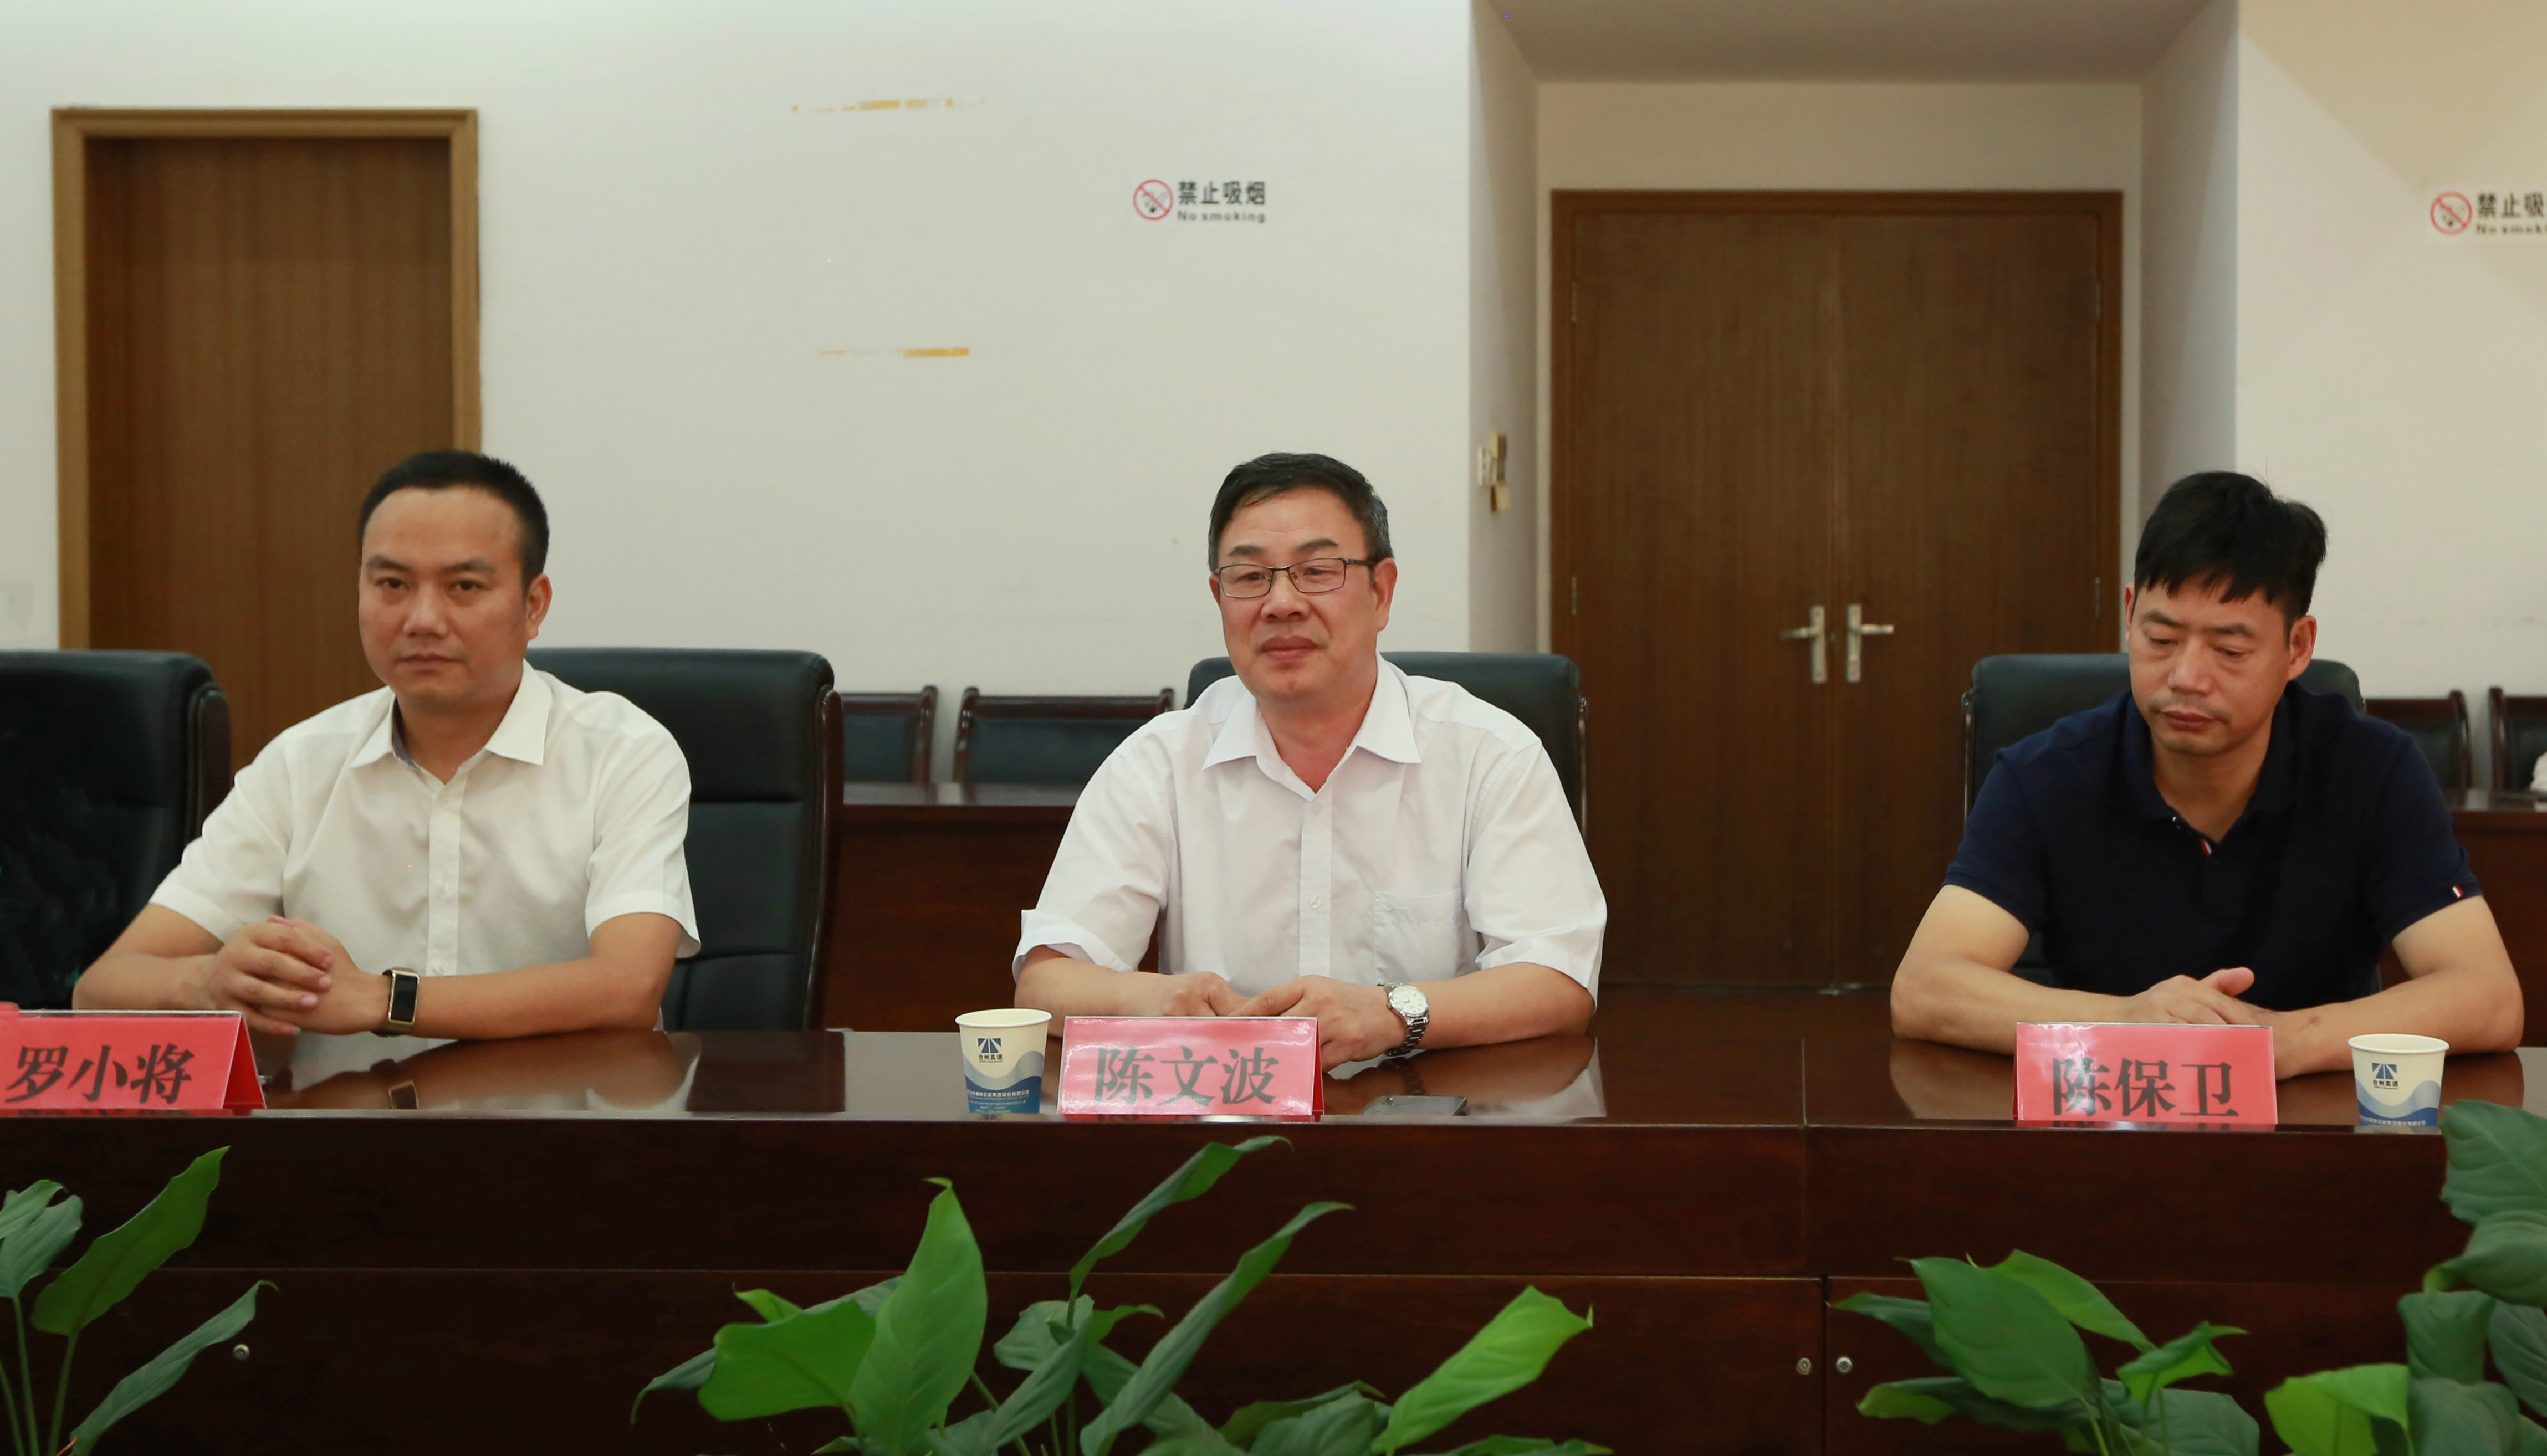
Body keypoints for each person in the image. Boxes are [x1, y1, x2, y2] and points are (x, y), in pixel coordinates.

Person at [1892, 471, 2523, 1078]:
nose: (2187, 677)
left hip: (2315, 1121)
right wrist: (2126, 1021)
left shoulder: (2371, 770)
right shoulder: (2045, 776)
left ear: (2298, 648)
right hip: (2109, 1114)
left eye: (2230, 651)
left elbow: (2488, 997)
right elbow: (1925, 989)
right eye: (2162, 639)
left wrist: (2281, 1042)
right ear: (2130, 613)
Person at [76, 452, 699, 1039]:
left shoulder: (623, 753)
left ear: (533, 606)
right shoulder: (300, 765)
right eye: (393, 584)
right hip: (345, 1115)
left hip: (563, 1115)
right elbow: (102, 987)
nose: (422, 619)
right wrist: (209, 982)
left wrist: (384, 999)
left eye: (463, 587)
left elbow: (628, 988)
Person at [1014, 452, 1605, 1070]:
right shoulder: (1158, 762)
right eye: (1249, 577)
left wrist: (1390, 1014)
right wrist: (1152, 999)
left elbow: (1557, 981)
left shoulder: (1490, 754)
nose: (1281, 603)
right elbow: (1047, 984)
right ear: (1219, 598)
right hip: (1229, 1114)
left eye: (1317, 571)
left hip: (1431, 1108)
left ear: (1381, 593)